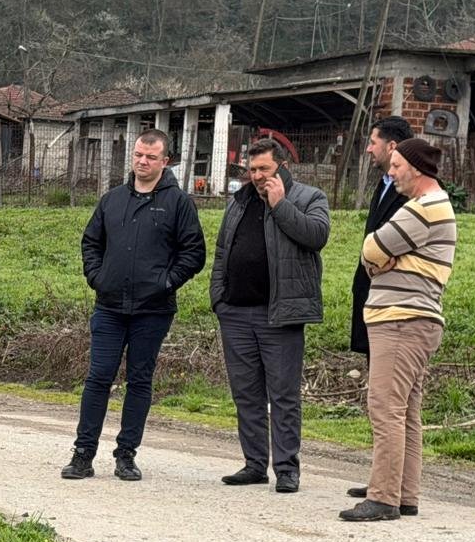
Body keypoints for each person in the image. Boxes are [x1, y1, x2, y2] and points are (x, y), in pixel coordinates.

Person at [64, 130, 206, 482]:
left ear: (165, 161)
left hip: (153, 310)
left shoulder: (178, 203)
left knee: (140, 380)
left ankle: (126, 455)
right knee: (98, 377)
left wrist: (166, 282)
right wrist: (97, 277)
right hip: (109, 307)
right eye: (139, 154)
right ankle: (83, 455)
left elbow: (194, 253)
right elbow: (90, 242)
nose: (143, 161)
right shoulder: (112, 200)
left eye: (151, 157)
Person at [341, 137, 458, 522]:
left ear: (415, 168)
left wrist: (379, 259)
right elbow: (379, 254)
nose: (391, 174)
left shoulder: (423, 209)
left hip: (400, 319)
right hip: (414, 319)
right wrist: (383, 260)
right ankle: (404, 493)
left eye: (396, 167)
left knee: (386, 407)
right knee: (406, 410)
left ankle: (383, 497)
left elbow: (371, 248)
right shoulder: (434, 206)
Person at [210, 137, 330, 493]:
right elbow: (222, 251)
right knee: (246, 394)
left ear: (282, 167)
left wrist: (280, 205)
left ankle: (287, 468)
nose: (258, 175)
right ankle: (254, 464)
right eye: (253, 169)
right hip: (236, 312)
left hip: (280, 314)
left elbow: (316, 236)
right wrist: (219, 299)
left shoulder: (309, 198)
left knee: (283, 396)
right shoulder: (239, 201)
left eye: (265, 168)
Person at [343, 115, 413, 503]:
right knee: (381, 397)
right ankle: (383, 478)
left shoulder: (410, 192)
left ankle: (390, 488)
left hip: (394, 305)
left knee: (390, 403)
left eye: (373, 142)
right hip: (373, 297)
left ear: (392, 145)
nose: (368, 148)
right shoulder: (384, 183)